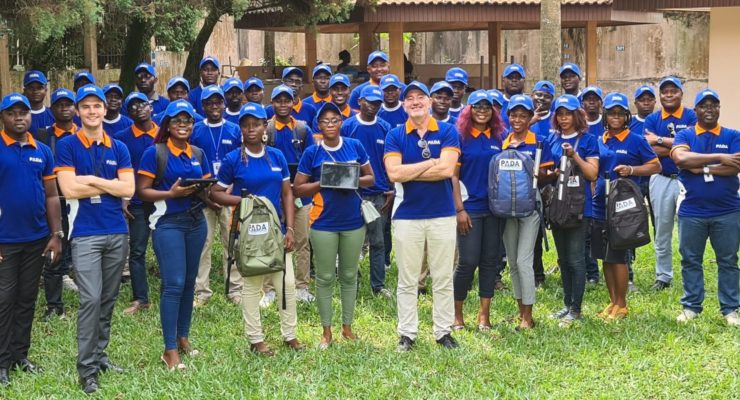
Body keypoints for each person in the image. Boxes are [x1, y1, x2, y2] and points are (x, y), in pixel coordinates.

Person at [55, 85, 134, 393]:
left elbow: (129, 190)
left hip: (117, 231)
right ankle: (86, 370)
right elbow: (69, 190)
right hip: (86, 234)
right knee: (90, 299)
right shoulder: (67, 145)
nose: (91, 111)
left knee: (109, 299)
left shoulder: (119, 147)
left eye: (96, 106)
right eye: (85, 106)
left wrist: (91, 179)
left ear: (104, 110)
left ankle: (100, 356)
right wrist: (110, 185)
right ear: (78, 111)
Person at [210, 102, 304, 355]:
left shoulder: (277, 156)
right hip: (248, 232)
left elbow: (287, 193)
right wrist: (243, 201)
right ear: (240, 128)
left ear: (265, 126)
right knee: (252, 286)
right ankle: (255, 339)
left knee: (286, 283)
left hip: (277, 231)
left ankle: (290, 334)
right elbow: (216, 193)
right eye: (246, 125)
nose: (251, 129)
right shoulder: (233, 160)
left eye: (256, 124)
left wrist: (291, 229)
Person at [384, 81, 460, 351]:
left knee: (442, 276)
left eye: (420, 97)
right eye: (410, 98)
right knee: (408, 279)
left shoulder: (448, 131)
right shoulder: (395, 135)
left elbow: (447, 170)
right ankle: (407, 334)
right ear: (404, 105)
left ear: (429, 102)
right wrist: (431, 162)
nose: (415, 102)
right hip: (407, 216)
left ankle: (443, 332)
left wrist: (412, 169)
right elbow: (394, 174)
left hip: (442, 214)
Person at [137, 100, 211, 369]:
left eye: (188, 121)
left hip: (195, 222)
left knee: (190, 283)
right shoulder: (155, 152)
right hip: (168, 223)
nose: (183, 125)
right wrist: (171, 193)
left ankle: (183, 337)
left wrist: (206, 188)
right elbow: (142, 191)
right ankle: (169, 349)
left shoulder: (198, 153)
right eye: (178, 121)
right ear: (167, 125)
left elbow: (205, 189)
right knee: (174, 283)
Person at [294, 102, 375, 349]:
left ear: (341, 123)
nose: (330, 124)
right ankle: (326, 330)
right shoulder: (312, 153)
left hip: (353, 221)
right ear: (318, 125)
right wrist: (324, 181)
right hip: (323, 222)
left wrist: (350, 178)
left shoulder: (354, 146)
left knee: (349, 275)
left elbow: (371, 178)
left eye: (335, 120)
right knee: (326, 277)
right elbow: (298, 187)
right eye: (325, 121)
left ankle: (348, 327)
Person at [0, 93, 62, 386]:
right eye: (12, 113)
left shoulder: (43, 151)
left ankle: (19, 356)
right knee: (4, 300)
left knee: (27, 299)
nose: (19, 117)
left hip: (37, 238)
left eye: (23, 112)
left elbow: (52, 196)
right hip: (5, 242)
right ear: (3, 117)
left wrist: (55, 235)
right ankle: (1, 362)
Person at [670, 89, 740, 326]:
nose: (709, 109)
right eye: (704, 105)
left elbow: (735, 167)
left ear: (719, 108)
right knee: (690, 260)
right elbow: (681, 159)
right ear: (696, 110)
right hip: (692, 211)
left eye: (714, 105)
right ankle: (691, 307)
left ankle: (730, 309)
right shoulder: (685, 135)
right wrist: (720, 158)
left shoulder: (732, 135)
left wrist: (702, 167)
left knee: (728, 260)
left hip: (728, 211)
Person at [592, 92, 660, 320]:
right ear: (605, 115)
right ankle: (612, 302)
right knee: (605, 256)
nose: (616, 117)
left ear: (626, 116)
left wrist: (632, 171)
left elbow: (655, 166)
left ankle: (622, 304)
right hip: (600, 205)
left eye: (620, 113)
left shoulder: (636, 140)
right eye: (611, 113)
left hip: (623, 208)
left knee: (618, 255)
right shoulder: (600, 139)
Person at [451, 90, 506, 331]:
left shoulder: (499, 136)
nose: (482, 110)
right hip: (469, 208)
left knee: (489, 262)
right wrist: (459, 209)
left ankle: (484, 316)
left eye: (487, 107)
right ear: (469, 109)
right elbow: (452, 176)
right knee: (467, 262)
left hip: (494, 209)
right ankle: (457, 315)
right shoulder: (460, 136)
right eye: (477, 106)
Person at [499, 94, 556, 329]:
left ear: (531, 116)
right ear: (509, 116)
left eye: (524, 115)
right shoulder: (502, 141)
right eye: (514, 115)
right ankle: (520, 309)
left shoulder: (539, 141)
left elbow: (549, 175)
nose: (518, 119)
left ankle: (528, 316)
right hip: (506, 208)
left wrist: (539, 174)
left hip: (530, 207)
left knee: (524, 260)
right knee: (512, 262)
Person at [547, 94, 599, 327]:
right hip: (557, 206)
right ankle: (567, 304)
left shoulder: (588, 140)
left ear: (577, 115)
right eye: (560, 113)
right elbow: (547, 171)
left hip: (580, 208)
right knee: (564, 259)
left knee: (577, 260)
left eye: (568, 113)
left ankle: (576, 309)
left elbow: (592, 174)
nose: (564, 117)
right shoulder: (551, 139)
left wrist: (574, 155)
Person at [262, 85, 316, 306]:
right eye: (278, 100)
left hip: (299, 194)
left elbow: (312, 160)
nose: (283, 105)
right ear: (272, 103)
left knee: (302, 240)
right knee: (271, 240)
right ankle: (269, 289)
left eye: (287, 100)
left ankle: (302, 287)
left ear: (294, 102)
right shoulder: (267, 129)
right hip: (273, 194)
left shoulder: (303, 129)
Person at [190, 85, 243, 306]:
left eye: (218, 102)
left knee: (232, 242)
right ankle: (202, 291)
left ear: (223, 104)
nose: (214, 106)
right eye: (209, 103)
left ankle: (235, 289)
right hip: (204, 196)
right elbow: (192, 163)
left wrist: (228, 190)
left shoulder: (234, 129)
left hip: (229, 193)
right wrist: (207, 195)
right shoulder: (196, 130)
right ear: (203, 106)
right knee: (204, 243)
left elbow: (241, 161)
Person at [643, 76, 697, 291]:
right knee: (662, 229)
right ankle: (663, 276)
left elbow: (693, 146)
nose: (668, 94)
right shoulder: (652, 119)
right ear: (660, 96)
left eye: (673, 91)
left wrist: (659, 140)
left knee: (689, 229)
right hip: (661, 178)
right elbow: (649, 150)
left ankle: (690, 274)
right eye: (664, 91)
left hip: (687, 178)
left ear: (681, 93)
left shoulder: (692, 115)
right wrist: (679, 147)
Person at [340, 85, 394, 298]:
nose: (372, 106)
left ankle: (378, 285)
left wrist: (391, 189)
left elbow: (390, 159)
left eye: (377, 103)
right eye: (368, 101)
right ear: (359, 101)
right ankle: (351, 280)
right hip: (354, 193)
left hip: (380, 193)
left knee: (378, 241)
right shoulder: (348, 126)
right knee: (351, 240)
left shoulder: (385, 127)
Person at [114, 92, 159, 316]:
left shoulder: (164, 133)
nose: (138, 109)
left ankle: (173, 291)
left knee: (165, 248)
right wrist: (124, 198)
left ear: (151, 106)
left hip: (162, 199)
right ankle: (141, 298)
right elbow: (120, 171)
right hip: (137, 202)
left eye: (142, 104)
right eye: (132, 106)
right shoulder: (122, 137)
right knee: (137, 250)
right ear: (127, 112)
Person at [35, 88, 78, 321]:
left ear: (75, 108)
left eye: (68, 104)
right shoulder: (42, 135)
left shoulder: (82, 134)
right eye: (59, 104)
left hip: (78, 203)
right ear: (52, 109)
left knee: (76, 250)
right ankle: (54, 305)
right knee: (54, 252)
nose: (64, 108)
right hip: (53, 204)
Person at [580, 86, 604, 285]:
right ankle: (591, 273)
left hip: (604, 182)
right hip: (582, 186)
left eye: (595, 99)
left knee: (598, 230)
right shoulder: (579, 130)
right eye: (587, 99)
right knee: (585, 232)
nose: (591, 102)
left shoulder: (606, 124)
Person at [23, 71, 55, 136]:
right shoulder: (20, 117)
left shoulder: (53, 115)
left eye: (39, 87)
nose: (35, 91)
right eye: (31, 88)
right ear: (25, 90)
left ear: (46, 90)